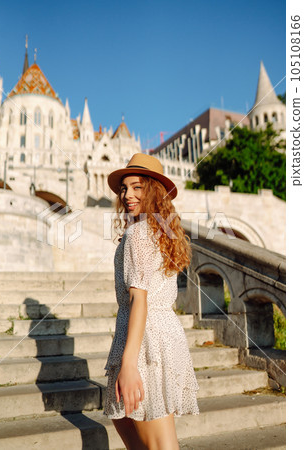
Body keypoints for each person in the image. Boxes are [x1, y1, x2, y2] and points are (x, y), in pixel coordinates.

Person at [104, 153, 199, 449]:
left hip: (146, 338)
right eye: (124, 188)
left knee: (157, 444)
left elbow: (139, 300)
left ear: (154, 191)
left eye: (137, 187)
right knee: (133, 430)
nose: (127, 195)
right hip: (157, 332)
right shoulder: (157, 230)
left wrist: (129, 363)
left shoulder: (139, 233)